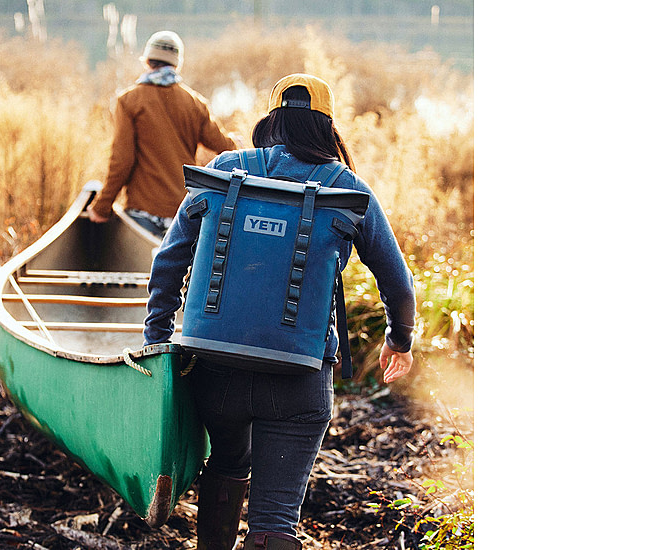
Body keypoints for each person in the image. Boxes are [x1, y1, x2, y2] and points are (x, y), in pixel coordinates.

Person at [143, 74, 417, 550]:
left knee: (226, 463)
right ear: (327, 128)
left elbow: (168, 260)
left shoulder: (226, 170)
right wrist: (399, 339)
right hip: (300, 379)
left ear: (271, 121)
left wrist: (157, 338)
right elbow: (398, 281)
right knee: (275, 518)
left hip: (216, 372)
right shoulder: (347, 187)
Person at [87, 30, 240, 237]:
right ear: (177, 64)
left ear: (147, 60)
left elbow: (122, 161)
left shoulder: (129, 101)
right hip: (183, 213)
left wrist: (102, 207)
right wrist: (235, 142)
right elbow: (223, 147)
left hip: (142, 212)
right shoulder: (195, 103)